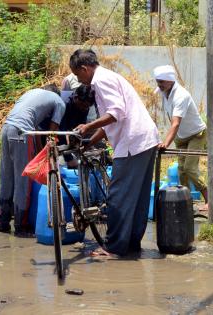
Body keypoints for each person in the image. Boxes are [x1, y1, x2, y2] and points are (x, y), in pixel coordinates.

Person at [69, 49, 160, 257]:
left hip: (132, 143)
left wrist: (87, 126)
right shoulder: (109, 77)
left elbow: (116, 113)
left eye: (77, 75)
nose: (79, 80)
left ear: (84, 69)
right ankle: (130, 243)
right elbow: (111, 121)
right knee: (137, 198)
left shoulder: (101, 81)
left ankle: (113, 247)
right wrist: (90, 141)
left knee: (117, 196)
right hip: (144, 140)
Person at [0, 84, 66, 237]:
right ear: (57, 94)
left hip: (6, 128)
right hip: (22, 132)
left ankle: (2, 222)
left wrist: (40, 153)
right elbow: (51, 133)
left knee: (6, 177)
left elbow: (37, 131)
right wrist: (50, 154)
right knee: (24, 180)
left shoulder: (31, 94)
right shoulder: (59, 102)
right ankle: (21, 226)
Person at [153, 65, 209, 210]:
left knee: (190, 168)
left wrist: (165, 143)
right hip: (181, 136)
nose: (159, 84)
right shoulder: (163, 91)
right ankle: (186, 202)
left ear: (171, 81)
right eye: (157, 81)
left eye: (162, 81)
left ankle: (210, 200)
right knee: (181, 170)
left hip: (196, 134)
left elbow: (175, 122)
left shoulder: (181, 95)